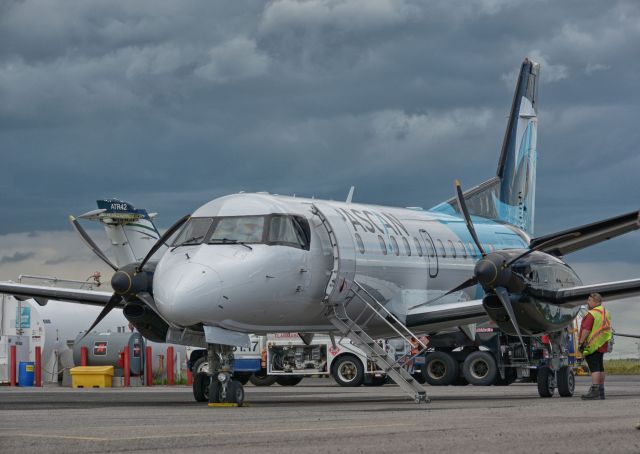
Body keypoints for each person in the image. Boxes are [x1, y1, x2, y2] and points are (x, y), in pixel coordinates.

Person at [578, 293, 612, 400]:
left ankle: (595, 391)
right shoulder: (606, 312)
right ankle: (601, 391)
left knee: (594, 368)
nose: (588, 302)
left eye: (590, 300)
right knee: (600, 367)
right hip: (602, 342)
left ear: (596, 302)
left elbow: (586, 329)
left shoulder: (591, 314)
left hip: (592, 344)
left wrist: (581, 342)